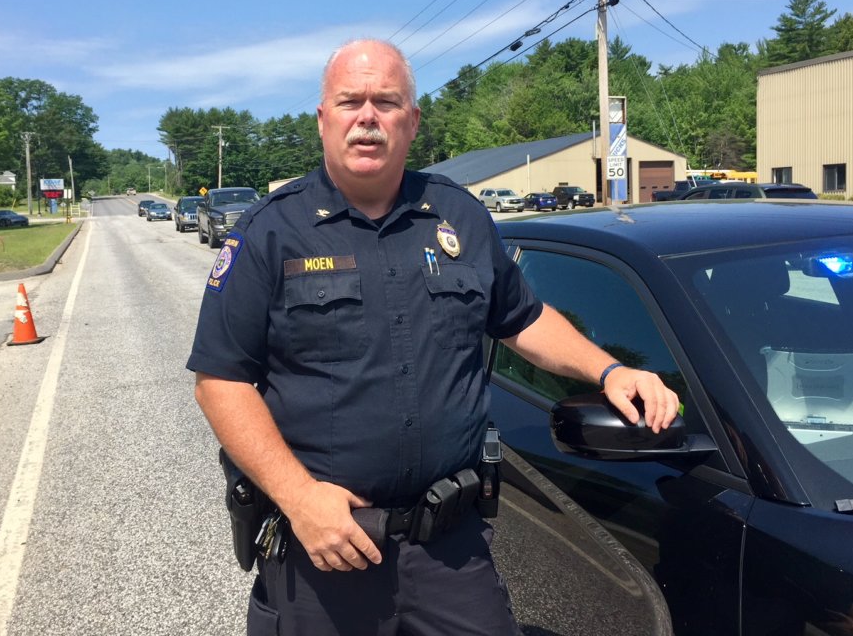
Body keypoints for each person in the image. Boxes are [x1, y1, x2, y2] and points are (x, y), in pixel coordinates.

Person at [188, 38, 679, 636]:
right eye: (350, 101)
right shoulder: (270, 231)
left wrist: (611, 370)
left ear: (413, 121)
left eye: (386, 102)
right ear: (322, 119)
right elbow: (221, 381)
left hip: (452, 552)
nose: (367, 117)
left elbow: (522, 318)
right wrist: (298, 498)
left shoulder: (459, 216)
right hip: (327, 548)